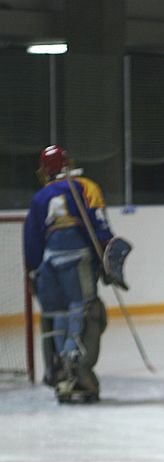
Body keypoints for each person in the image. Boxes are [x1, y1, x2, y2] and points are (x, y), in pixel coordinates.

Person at [23, 145, 112, 403]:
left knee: (57, 316)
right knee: (87, 311)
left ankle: (58, 372)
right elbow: (100, 227)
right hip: (77, 260)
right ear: (68, 164)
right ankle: (79, 373)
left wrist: (33, 274)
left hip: (48, 265)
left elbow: (32, 241)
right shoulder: (84, 186)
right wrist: (106, 262)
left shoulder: (40, 198)